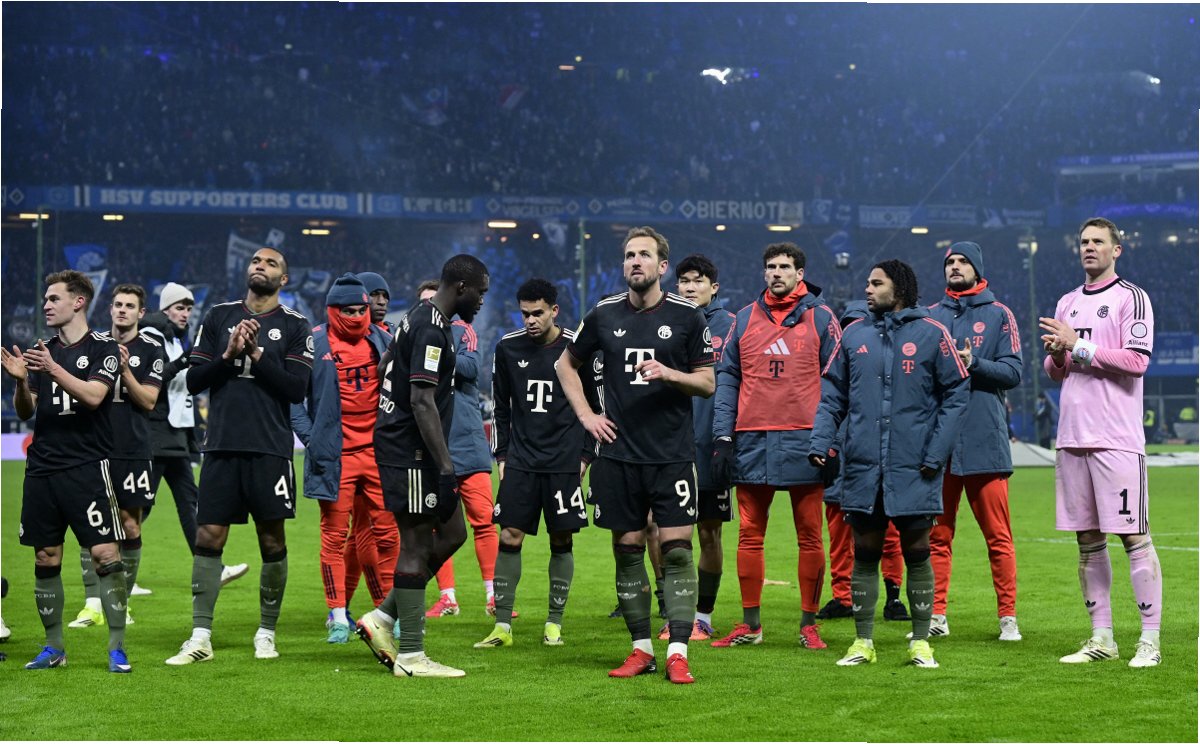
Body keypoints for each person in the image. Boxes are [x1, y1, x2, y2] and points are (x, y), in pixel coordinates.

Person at [557, 226, 715, 684]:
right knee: (626, 550)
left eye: (644, 255)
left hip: (670, 454)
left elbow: (707, 383)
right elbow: (565, 364)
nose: (635, 262)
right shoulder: (603, 313)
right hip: (617, 456)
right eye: (629, 255)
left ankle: (679, 652)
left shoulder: (687, 316)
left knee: (677, 551)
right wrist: (587, 416)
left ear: (662, 266)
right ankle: (641, 649)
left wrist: (670, 373)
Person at [809, 259, 969, 669]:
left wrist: (936, 452)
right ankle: (863, 642)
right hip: (863, 464)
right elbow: (832, 396)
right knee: (865, 551)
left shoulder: (932, 333)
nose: (867, 289)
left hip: (915, 466)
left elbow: (957, 393)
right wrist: (820, 442)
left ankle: (921, 642)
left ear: (898, 288)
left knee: (917, 550)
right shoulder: (853, 335)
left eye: (876, 283)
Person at [165, 247, 314, 665]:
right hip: (221, 445)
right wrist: (229, 355)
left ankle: (266, 632)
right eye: (255, 261)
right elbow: (195, 380)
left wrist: (257, 355)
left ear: (283, 279)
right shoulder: (218, 317)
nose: (260, 266)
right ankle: (200, 636)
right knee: (208, 537)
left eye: (270, 263)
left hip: (270, 448)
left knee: (272, 539)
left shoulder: (296, 325)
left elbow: (296, 389)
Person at [354, 254, 490, 679]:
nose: (482, 301)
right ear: (462, 288)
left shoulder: (419, 316)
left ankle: (383, 617)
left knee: (453, 532)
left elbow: (384, 365)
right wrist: (446, 468)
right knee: (414, 545)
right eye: (480, 293)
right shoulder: (432, 328)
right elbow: (420, 400)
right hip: (410, 451)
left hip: (409, 446)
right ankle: (412, 657)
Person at [1039, 217, 1161, 668]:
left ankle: (1149, 640)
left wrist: (1077, 346)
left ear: (1116, 250)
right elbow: (1057, 372)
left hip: (1116, 437)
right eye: (1083, 242)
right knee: (1088, 540)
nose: (1089, 247)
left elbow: (1137, 361)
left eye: (1098, 241)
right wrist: (1057, 355)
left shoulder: (1132, 297)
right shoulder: (1068, 301)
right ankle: (1102, 638)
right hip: (1073, 436)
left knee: (1133, 536)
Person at [710, 243, 838, 650]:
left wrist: (832, 441)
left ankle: (808, 625)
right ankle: (751, 625)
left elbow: (838, 383)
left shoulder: (822, 318)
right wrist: (723, 436)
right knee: (749, 534)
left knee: (810, 536)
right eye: (770, 266)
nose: (776, 272)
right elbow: (727, 379)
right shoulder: (744, 318)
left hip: (806, 439)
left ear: (800, 274)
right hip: (753, 439)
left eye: (785, 266)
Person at [2, 270, 131, 672]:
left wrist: (52, 368)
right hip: (42, 468)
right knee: (45, 555)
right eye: (45, 299)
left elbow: (94, 396)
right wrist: (21, 382)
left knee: (105, 553)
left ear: (78, 302)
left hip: (88, 466)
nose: (46, 305)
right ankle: (54, 647)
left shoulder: (103, 347)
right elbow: (27, 410)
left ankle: (117, 648)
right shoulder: (42, 351)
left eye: (53, 298)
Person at [475, 278, 594, 649]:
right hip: (522, 462)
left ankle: (554, 623)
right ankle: (502, 626)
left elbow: (596, 406)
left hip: (563, 463)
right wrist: (502, 457)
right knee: (509, 536)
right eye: (525, 313)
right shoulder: (507, 348)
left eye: (537, 313)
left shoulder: (577, 347)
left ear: (554, 311)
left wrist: (585, 457)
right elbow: (500, 408)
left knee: (562, 539)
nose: (530, 320)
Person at [927, 242, 1023, 642]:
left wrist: (974, 363)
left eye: (962, 261)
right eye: (949, 262)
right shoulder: (930, 317)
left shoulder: (999, 314)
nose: (954, 267)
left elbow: (1013, 372)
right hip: (940, 445)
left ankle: (1008, 618)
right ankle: (936, 615)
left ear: (977, 269)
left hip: (985, 441)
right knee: (937, 536)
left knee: (998, 537)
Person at [291, 274, 394, 643]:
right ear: (332, 310)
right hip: (335, 457)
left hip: (378, 454)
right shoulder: (314, 342)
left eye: (359, 310)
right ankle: (337, 615)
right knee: (334, 537)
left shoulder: (383, 340)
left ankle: (389, 611)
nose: (355, 316)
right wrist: (313, 439)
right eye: (347, 311)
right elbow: (293, 399)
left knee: (389, 536)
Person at [66, 285, 164, 630]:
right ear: (110, 309)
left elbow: (149, 401)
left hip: (133, 450)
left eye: (130, 306)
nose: (122, 310)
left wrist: (125, 371)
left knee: (130, 525)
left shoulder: (151, 349)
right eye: (118, 304)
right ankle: (92, 605)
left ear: (141, 313)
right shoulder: (92, 345)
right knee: (91, 524)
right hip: (94, 448)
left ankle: (121, 602)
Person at [141, 283, 249, 594]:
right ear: (165, 309)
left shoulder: (173, 338)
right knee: (142, 505)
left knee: (188, 502)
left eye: (188, 308)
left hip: (173, 434)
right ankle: (111, 563)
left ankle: (213, 568)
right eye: (179, 307)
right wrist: (187, 359)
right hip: (156, 432)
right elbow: (155, 377)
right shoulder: (151, 336)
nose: (185, 313)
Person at [816, 302, 909, 624]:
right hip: (841, 464)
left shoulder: (890, 373)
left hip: (878, 463)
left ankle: (893, 596)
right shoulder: (836, 369)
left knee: (890, 534)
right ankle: (844, 597)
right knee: (840, 537)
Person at [414, 280, 501, 620]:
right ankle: (447, 598)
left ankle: (494, 596)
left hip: (467, 441)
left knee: (484, 521)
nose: (430, 308)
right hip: (434, 446)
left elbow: (470, 368)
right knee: (437, 526)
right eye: (423, 303)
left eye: (432, 301)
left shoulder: (463, 330)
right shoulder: (415, 334)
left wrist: (435, 351)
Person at [662, 254, 735, 642]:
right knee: (669, 535)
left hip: (710, 446)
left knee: (708, 533)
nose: (690, 288)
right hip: (669, 447)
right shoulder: (666, 324)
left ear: (714, 287)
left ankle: (703, 617)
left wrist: (727, 438)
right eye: (684, 281)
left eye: (698, 281)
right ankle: (674, 614)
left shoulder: (731, 327)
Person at [341, 271, 394, 614]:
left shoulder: (388, 338)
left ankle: (341, 609)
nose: (381, 301)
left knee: (363, 534)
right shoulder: (342, 342)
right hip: (357, 447)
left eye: (385, 295)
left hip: (386, 447)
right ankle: (381, 606)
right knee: (367, 530)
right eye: (374, 294)